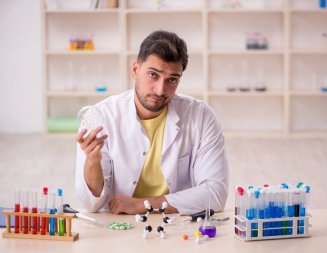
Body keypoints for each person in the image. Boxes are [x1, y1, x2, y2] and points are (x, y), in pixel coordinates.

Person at [75, 30, 229, 215]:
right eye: (153, 75)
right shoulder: (100, 116)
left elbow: (216, 194)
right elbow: (90, 205)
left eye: (172, 80)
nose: (160, 90)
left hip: (179, 226)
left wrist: (143, 204)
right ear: (135, 70)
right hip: (122, 226)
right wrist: (92, 160)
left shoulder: (201, 116)